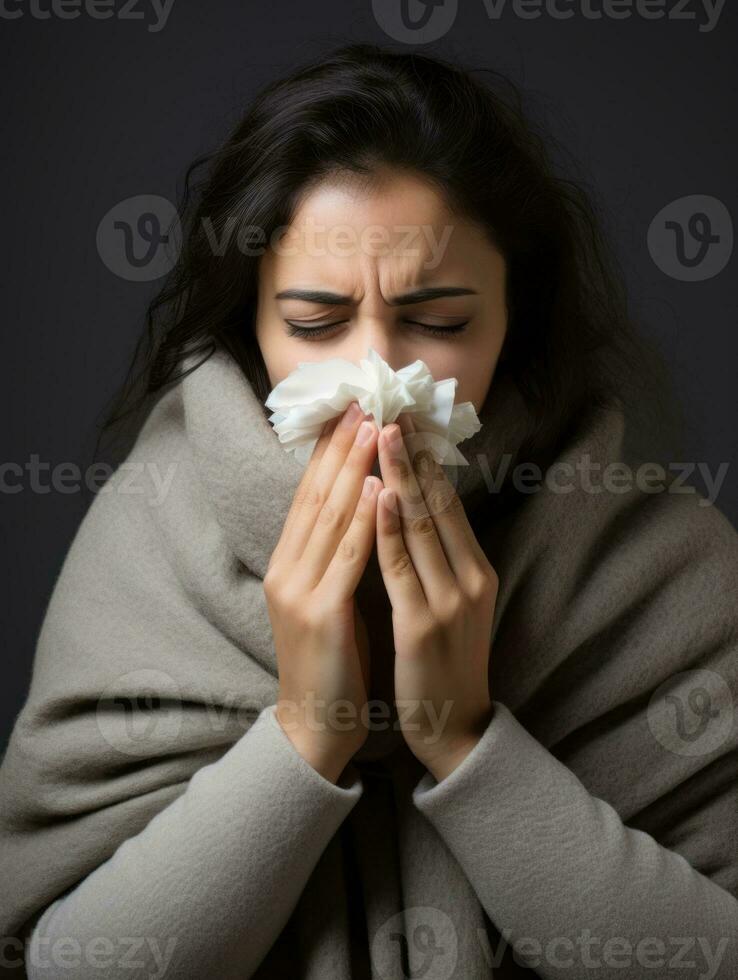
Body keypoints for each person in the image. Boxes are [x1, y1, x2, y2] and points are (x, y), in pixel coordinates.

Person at [1, 44, 736, 980]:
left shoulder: (661, 561)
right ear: (251, 329)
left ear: (518, 319)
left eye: (440, 321)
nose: (376, 387)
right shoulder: (149, 543)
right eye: (314, 324)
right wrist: (307, 731)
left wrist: (463, 740)